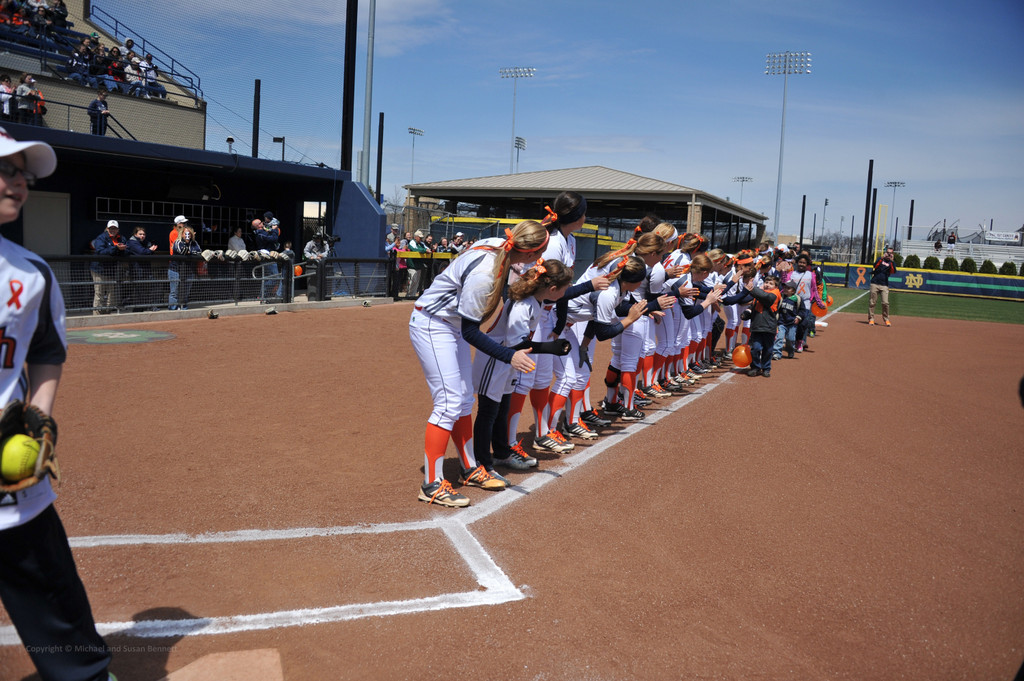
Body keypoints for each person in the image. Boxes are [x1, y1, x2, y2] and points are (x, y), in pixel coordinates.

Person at [0, 126, 117, 681]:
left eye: (21, 172)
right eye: (5, 170)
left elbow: (45, 351)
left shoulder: (30, 273)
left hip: (7, 468)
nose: (18, 182)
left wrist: (38, 417)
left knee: (53, 596)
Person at [410, 220, 548, 507]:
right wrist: (510, 355)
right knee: (448, 402)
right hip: (434, 323)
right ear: (529, 254)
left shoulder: (504, 245)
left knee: (462, 401)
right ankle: (431, 484)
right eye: (539, 254)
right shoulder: (485, 275)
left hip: (451, 323)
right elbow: (471, 332)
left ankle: (471, 467)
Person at [743, 274, 781, 377]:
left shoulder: (775, 294)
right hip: (757, 326)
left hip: (769, 327)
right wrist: (746, 313)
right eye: (766, 282)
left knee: (768, 349)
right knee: (755, 348)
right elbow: (753, 307)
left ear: (776, 287)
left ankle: (766, 368)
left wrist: (752, 289)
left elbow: (767, 299)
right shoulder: (759, 295)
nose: (767, 285)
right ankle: (755, 367)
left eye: (771, 283)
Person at [89, 219, 126, 314]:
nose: (112, 230)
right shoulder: (101, 238)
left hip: (112, 270)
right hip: (99, 269)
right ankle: (97, 315)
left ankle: (107, 313)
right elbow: (101, 251)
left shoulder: (121, 238)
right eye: (111, 228)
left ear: (118, 230)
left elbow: (127, 249)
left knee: (112, 294)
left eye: (115, 228)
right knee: (99, 293)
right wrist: (115, 248)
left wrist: (121, 250)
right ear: (107, 228)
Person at [125, 225, 158, 311]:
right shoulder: (132, 242)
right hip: (137, 270)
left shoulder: (144, 242)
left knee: (152, 286)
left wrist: (150, 250)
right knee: (139, 290)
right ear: (135, 234)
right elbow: (141, 252)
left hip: (146, 270)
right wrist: (150, 250)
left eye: (143, 234)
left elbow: (148, 251)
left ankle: (151, 306)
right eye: (140, 234)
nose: (142, 236)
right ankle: (138, 309)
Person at [168, 225, 200, 310]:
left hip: (188, 270)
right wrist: (189, 250)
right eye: (185, 233)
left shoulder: (194, 243)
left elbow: (198, 252)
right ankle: (173, 309)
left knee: (186, 291)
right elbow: (182, 251)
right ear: (181, 234)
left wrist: (189, 251)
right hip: (175, 270)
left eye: (189, 233)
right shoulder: (177, 242)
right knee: (174, 291)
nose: (187, 235)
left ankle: (183, 307)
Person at [773, 279, 802, 359]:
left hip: (792, 323)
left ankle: (790, 351)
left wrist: (798, 317)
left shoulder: (797, 299)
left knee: (790, 339)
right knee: (779, 338)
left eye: (788, 288)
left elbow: (802, 310)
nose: (785, 289)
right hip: (782, 322)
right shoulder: (781, 297)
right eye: (784, 287)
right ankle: (777, 353)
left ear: (793, 291)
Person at [868, 247, 896, 327]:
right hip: (875, 283)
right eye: (887, 252)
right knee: (872, 302)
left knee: (885, 303)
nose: (888, 254)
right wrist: (882, 257)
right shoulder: (880, 260)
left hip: (884, 285)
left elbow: (893, 271)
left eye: (890, 253)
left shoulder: (891, 263)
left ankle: (886, 319)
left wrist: (892, 261)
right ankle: (871, 318)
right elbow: (875, 265)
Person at [405, 230, 428, 298]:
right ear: (416, 237)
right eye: (419, 237)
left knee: (416, 282)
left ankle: (412, 295)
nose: (421, 239)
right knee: (412, 281)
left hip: (419, 265)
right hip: (412, 265)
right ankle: (408, 295)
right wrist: (424, 250)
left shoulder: (421, 243)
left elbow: (426, 248)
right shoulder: (412, 242)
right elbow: (415, 249)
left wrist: (426, 250)